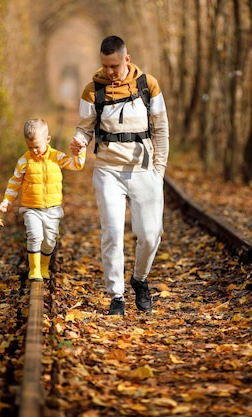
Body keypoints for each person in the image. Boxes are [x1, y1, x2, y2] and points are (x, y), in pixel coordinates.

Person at [70, 35, 170, 316]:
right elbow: (84, 128)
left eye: (114, 66)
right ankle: (117, 295)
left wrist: (159, 170)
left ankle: (139, 279)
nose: (109, 72)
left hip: (144, 170)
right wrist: (78, 140)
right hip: (108, 171)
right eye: (104, 66)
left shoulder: (148, 85)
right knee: (113, 233)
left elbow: (161, 129)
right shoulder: (93, 90)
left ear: (126, 59)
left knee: (150, 236)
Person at [0, 118, 86, 280]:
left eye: (37, 147)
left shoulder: (56, 157)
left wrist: (80, 152)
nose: (35, 151)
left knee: (49, 241)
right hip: (31, 208)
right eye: (30, 147)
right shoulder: (24, 160)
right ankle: (35, 269)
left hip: (53, 208)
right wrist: (7, 200)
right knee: (35, 236)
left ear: (48, 140)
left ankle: (44, 265)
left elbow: (77, 165)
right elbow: (14, 182)